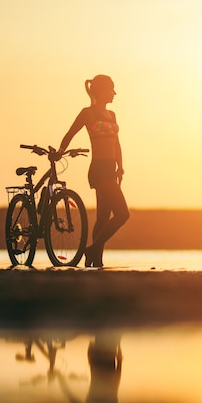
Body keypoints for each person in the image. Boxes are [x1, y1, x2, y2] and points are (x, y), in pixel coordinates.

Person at [57, 75, 129, 267]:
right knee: (123, 215)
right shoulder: (88, 113)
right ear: (100, 90)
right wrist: (60, 152)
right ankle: (92, 249)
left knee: (103, 218)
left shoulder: (112, 115)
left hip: (111, 170)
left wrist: (120, 166)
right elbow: (70, 134)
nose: (114, 93)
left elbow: (117, 143)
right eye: (111, 89)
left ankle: (96, 260)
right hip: (98, 170)